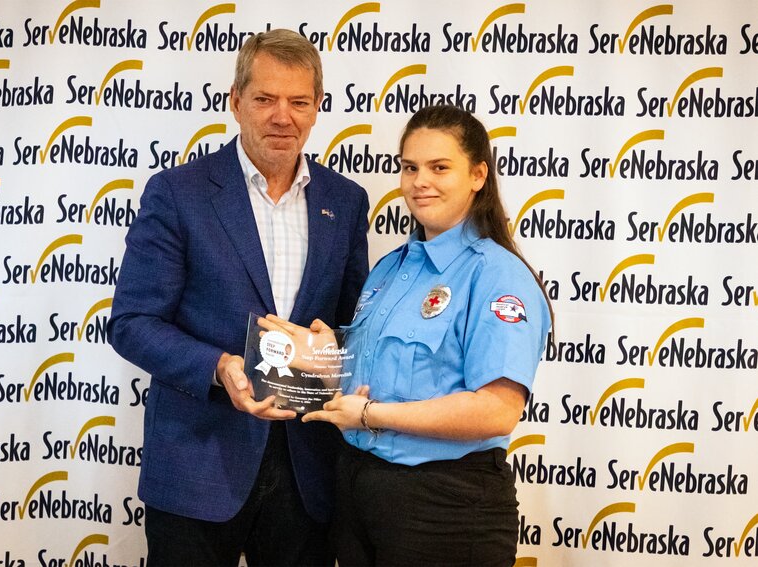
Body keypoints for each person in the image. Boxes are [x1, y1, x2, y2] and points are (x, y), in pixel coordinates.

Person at [107, 29, 369, 566]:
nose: (282, 116)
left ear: (318, 107)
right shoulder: (177, 193)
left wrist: (332, 349)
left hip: (307, 475)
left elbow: (353, 329)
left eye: (299, 102)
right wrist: (220, 366)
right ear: (235, 101)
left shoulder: (345, 201)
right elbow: (133, 320)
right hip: (197, 469)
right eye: (265, 99)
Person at [297, 104, 553, 566]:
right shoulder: (391, 268)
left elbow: (497, 411)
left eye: (439, 167)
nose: (420, 181)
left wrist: (373, 414)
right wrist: (326, 357)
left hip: (444, 506)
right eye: (410, 167)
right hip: (362, 493)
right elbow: (371, 375)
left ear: (478, 175)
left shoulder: (497, 276)